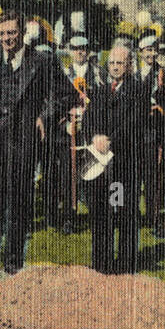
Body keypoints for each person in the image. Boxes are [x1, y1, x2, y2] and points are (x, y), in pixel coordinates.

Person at [0, 10, 75, 286]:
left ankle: (13, 270)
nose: (7, 39)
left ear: (22, 33)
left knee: (18, 207)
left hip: (23, 145)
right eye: (2, 33)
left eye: (12, 33)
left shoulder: (42, 61)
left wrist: (44, 116)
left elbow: (67, 94)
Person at [82, 42, 148, 274]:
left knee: (123, 211)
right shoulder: (100, 91)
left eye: (120, 63)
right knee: (101, 213)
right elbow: (88, 119)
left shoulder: (138, 90)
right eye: (112, 63)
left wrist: (111, 141)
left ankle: (127, 262)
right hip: (100, 164)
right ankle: (101, 262)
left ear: (129, 65)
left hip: (123, 163)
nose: (115, 67)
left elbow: (135, 124)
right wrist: (94, 136)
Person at [52, 34, 102, 233]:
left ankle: (95, 215)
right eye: (75, 48)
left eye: (83, 48)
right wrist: (66, 115)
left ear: (88, 50)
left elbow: (102, 99)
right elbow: (56, 99)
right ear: (70, 50)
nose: (79, 52)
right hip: (69, 129)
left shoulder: (98, 73)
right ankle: (69, 217)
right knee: (68, 174)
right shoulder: (64, 73)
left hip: (89, 129)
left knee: (91, 171)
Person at [136, 35, 165, 234]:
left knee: (154, 176)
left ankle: (153, 216)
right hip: (135, 132)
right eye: (147, 50)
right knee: (134, 175)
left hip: (155, 131)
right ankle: (133, 214)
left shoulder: (164, 73)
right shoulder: (133, 72)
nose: (151, 53)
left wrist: (159, 109)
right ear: (140, 51)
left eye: (154, 49)